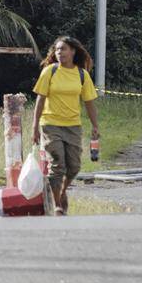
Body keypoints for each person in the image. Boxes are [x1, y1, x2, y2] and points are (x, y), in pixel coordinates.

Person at [31, 35, 100, 216]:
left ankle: (61, 192)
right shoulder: (50, 71)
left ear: (73, 51)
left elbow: (89, 102)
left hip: (73, 126)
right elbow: (40, 99)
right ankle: (57, 204)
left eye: (64, 49)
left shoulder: (82, 75)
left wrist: (95, 126)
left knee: (74, 166)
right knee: (58, 163)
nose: (59, 52)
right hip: (50, 123)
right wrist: (34, 127)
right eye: (57, 49)